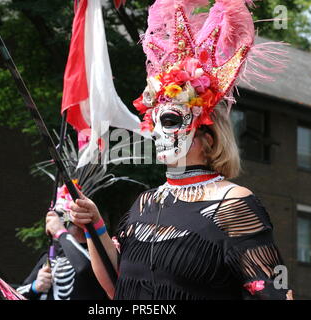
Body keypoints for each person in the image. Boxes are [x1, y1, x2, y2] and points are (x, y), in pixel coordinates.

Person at [69, 0, 294, 300]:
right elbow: (118, 286)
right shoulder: (145, 203)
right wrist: (94, 224)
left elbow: (276, 294)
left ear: (209, 138)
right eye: (154, 120)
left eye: (171, 120)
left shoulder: (233, 204)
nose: (157, 131)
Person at [17, 210, 108, 300]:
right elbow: (16, 293)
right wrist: (35, 287)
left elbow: (84, 268)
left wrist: (60, 232)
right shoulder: (50, 255)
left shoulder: (99, 253)